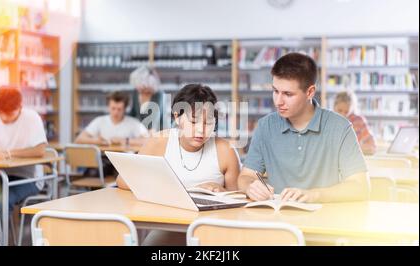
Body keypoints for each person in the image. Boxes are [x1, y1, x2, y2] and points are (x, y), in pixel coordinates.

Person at [116, 84, 241, 245]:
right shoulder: (159, 142)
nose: (201, 131)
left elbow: (238, 202)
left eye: (208, 123)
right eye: (194, 121)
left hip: (213, 227)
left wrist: (222, 192)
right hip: (170, 226)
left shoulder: (225, 151)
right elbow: (122, 180)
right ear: (177, 117)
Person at [238, 53, 370, 203]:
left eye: (288, 94)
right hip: (278, 219)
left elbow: (361, 187)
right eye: (275, 91)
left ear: (310, 92)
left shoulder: (340, 127)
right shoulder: (265, 126)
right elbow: (246, 176)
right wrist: (251, 187)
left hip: (324, 219)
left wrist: (314, 195)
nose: (278, 101)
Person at [0, 88, 48, 213]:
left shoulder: (31, 118)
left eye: (9, 114)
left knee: (2, 201)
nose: (4, 117)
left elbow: (40, 150)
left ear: (20, 107)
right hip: (0, 175)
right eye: (1, 112)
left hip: (29, 178)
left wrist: (7, 153)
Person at [75, 91, 148, 147]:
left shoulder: (134, 123)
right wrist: (98, 141)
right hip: (103, 160)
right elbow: (79, 139)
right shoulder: (99, 121)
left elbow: (148, 141)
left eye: (119, 109)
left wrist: (125, 141)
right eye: (113, 108)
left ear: (125, 109)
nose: (116, 112)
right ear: (108, 107)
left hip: (124, 161)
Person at [334, 90, 376, 155]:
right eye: (339, 110)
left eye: (346, 112)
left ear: (352, 109)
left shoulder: (359, 121)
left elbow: (372, 146)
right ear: (334, 107)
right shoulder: (328, 121)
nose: (343, 115)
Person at [129, 65, 164, 131]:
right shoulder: (136, 92)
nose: (138, 87)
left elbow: (153, 122)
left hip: (157, 134)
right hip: (140, 133)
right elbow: (132, 113)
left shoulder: (158, 95)